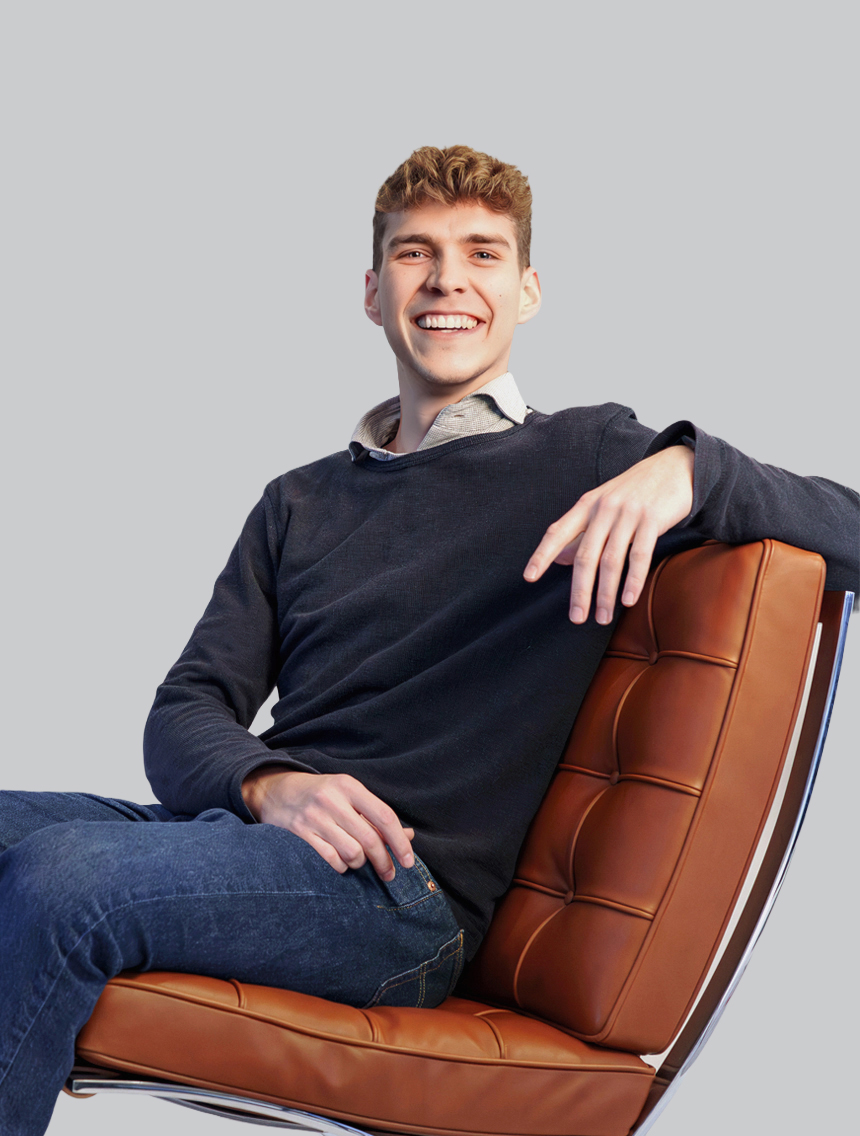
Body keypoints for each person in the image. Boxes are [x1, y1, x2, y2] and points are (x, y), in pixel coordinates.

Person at [1, 145, 857, 1136]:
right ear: (374, 292)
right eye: (416, 253)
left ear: (526, 291)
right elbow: (186, 707)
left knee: (65, 882)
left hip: (400, 895)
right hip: (257, 839)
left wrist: (687, 467)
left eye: (482, 253)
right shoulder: (298, 501)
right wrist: (269, 784)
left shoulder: (583, 453)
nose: (448, 279)